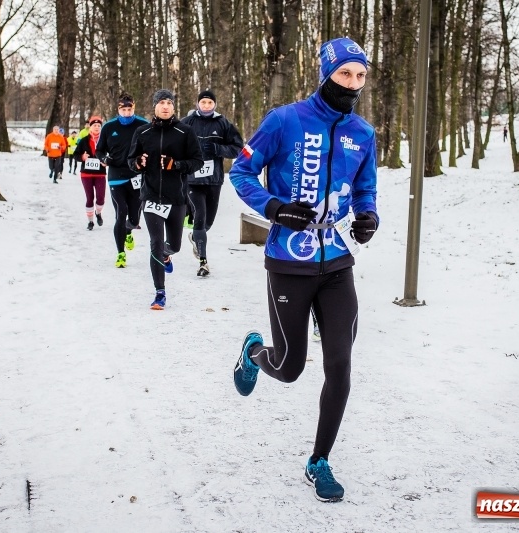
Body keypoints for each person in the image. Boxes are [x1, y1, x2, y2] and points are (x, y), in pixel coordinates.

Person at [229, 37, 379, 503]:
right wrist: (274, 207)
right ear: (325, 74)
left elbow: (365, 188)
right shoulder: (285, 120)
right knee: (291, 368)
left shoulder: (363, 133)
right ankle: (255, 353)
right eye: (344, 75)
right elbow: (240, 172)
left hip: (336, 261)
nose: (353, 84)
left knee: (340, 365)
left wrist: (368, 215)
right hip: (288, 263)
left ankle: (319, 461)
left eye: (360, 75)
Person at [126, 89, 203, 309]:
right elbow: (131, 160)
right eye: (161, 102)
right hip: (150, 198)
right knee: (155, 244)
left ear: (174, 107)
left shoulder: (184, 132)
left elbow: (197, 161)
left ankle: (168, 256)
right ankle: (160, 293)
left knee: (175, 245)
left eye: (169, 102)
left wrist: (175, 164)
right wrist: (137, 163)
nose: (166, 106)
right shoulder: (142, 132)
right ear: (154, 107)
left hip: (176, 198)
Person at [181, 89, 244, 277]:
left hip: (214, 180)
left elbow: (237, 149)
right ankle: (203, 261)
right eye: (203, 102)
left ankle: (197, 237)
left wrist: (217, 148)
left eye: (209, 103)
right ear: (197, 104)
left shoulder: (223, 123)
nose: (206, 106)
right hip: (193, 180)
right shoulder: (187, 122)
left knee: (208, 222)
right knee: (199, 215)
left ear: (214, 105)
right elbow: (175, 145)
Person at [96, 92, 149, 268]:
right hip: (116, 176)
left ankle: (129, 231)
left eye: (129, 109)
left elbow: (152, 146)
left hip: (136, 175)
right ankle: (120, 253)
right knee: (121, 211)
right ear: (118, 109)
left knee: (134, 218)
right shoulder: (109, 127)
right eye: (123, 109)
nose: (126, 112)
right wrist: (104, 159)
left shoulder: (143, 125)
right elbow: (99, 150)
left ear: (134, 107)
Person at [73, 116, 107, 230]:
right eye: (94, 126)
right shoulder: (84, 141)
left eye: (99, 126)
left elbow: (110, 154)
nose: (97, 127)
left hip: (100, 173)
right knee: (89, 198)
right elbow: (76, 155)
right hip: (86, 174)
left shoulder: (105, 140)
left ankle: (98, 213)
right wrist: (82, 157)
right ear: (90, 127)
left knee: (101, 198)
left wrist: (106, 161)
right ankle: (91, 222)